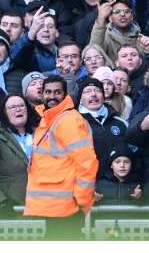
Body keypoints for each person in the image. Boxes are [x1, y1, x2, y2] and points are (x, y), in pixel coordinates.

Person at [21, 74, 98, 236]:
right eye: (47, 92)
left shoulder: (68, 120)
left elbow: (87, 163)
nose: (52, 96)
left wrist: (82, 200)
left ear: (65, 95)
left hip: (67, 208)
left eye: (57, 92)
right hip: (53, 207)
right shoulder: (48, 119)